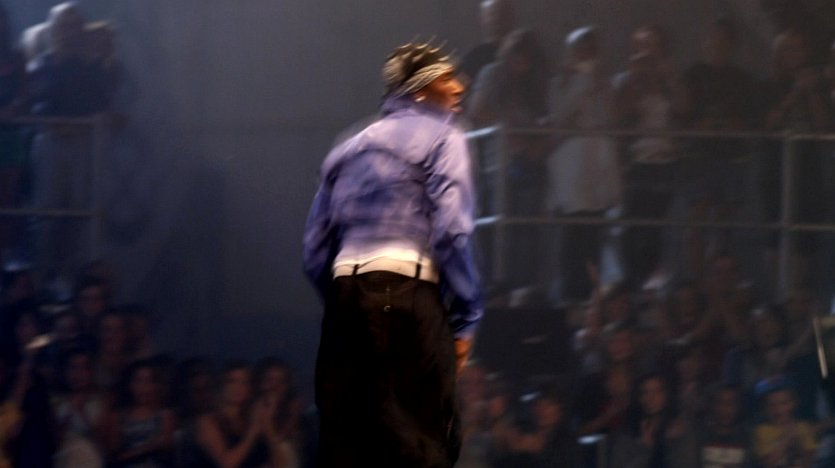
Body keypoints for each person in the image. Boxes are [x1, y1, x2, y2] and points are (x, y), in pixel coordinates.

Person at [303, 41, 483, 467]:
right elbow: (452, 231)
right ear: (418, 91)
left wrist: (348, 301)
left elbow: (313, 251)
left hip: (347, 295)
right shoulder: (444, 137)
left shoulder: (346, 149)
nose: (458, 87)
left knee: (348, 444)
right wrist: (466, 315)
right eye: (445, 78)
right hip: (407, 292)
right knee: (422, 444)